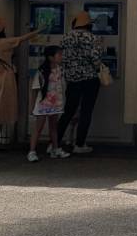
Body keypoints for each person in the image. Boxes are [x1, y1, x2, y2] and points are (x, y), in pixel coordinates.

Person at [0, 15, 39, 149]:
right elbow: (22, 39)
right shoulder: (3, 42)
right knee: (0, 110)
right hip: (4, 78)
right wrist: (39, 30)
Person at [56, 11, 105, 155]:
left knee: (68, 111)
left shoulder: (66, 38)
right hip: (90, 79)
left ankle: (55, 142)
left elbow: (61, 59)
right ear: (89, 25)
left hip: (72, 80)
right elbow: (96, 59)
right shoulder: (93, 38)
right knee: (86, 111)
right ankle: (79, 144)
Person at [27, 45, 70, 163]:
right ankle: (32, 151)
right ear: (51, 57)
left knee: (53, 127)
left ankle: (55, 148)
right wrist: (32, 106)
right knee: (38, 127)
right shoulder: (41, 71)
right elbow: (35, 90)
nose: (61, 57)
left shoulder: (60, 70)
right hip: (43, 104)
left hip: (55, 103)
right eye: (59, 54)